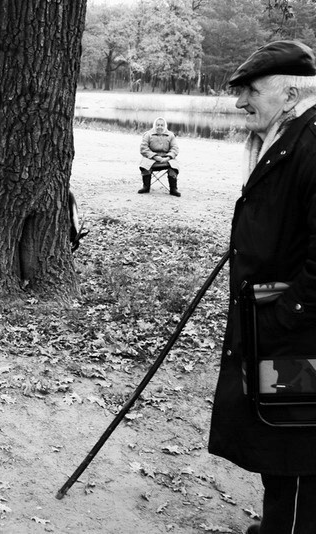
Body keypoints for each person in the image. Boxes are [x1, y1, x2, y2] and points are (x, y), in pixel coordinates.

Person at [208, 40, 316, 534]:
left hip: (299, 336)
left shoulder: (311, 145)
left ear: (290, 94)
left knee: (297, 446)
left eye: (251, 91)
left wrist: (282, 315)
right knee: (280, 432)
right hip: (282, 328)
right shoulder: (289, 138)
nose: (239, 102)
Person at [138, 117, 181, 196]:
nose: (159, 127)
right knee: (144, 163)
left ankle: (173, 189)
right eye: (157, 125)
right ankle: (146, 187)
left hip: (166, 159)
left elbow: (175, 149)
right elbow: (143, 148)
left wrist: (168, 158)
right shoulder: (148, 134)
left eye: (162, 125)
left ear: (165, 126)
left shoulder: (171, 135)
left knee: (174, 164)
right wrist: (155, 157)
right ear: (154, 126)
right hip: (151, 158)